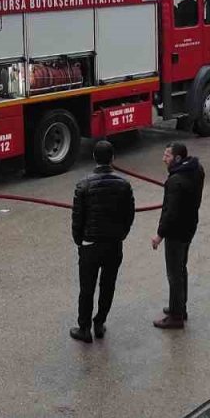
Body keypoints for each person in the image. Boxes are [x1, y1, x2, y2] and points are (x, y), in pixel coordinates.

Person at [70, 140, 136, 343]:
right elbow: (129, 215)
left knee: (87, 288)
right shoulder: (124, 185)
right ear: (113, 158)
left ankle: (84, 328)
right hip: (113, 244)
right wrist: (121, 234)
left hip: (90, 245)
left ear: (94, 158)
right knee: (108, 285)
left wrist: (79, 241)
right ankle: (99, 323)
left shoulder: (83, 185)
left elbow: (77, 218)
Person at [151, 142, 205, 330]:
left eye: (167, 155)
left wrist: (159, 235)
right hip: (190, 227)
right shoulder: (197, 170)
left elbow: (170, 212)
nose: (163, 159)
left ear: (178, 158)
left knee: (174, 273)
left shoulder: (175, 181)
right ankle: (180, 307)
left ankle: (176, 316)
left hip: (176, 232)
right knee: (181, 268)